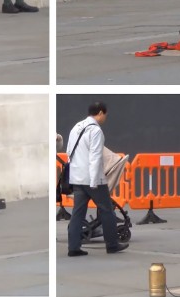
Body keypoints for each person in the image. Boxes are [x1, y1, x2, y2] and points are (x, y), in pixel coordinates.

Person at [66, 102, 128, 257]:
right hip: (92, 179)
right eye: (105, 115)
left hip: (77, 177)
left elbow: (68, 151)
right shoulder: (95, 131)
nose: (105, 118)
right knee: (106, 210)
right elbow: (95, 156)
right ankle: (112, 245)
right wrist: (94, 180)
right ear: (100, 113)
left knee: (78, 213)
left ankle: (73, 247)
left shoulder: (77, 127)